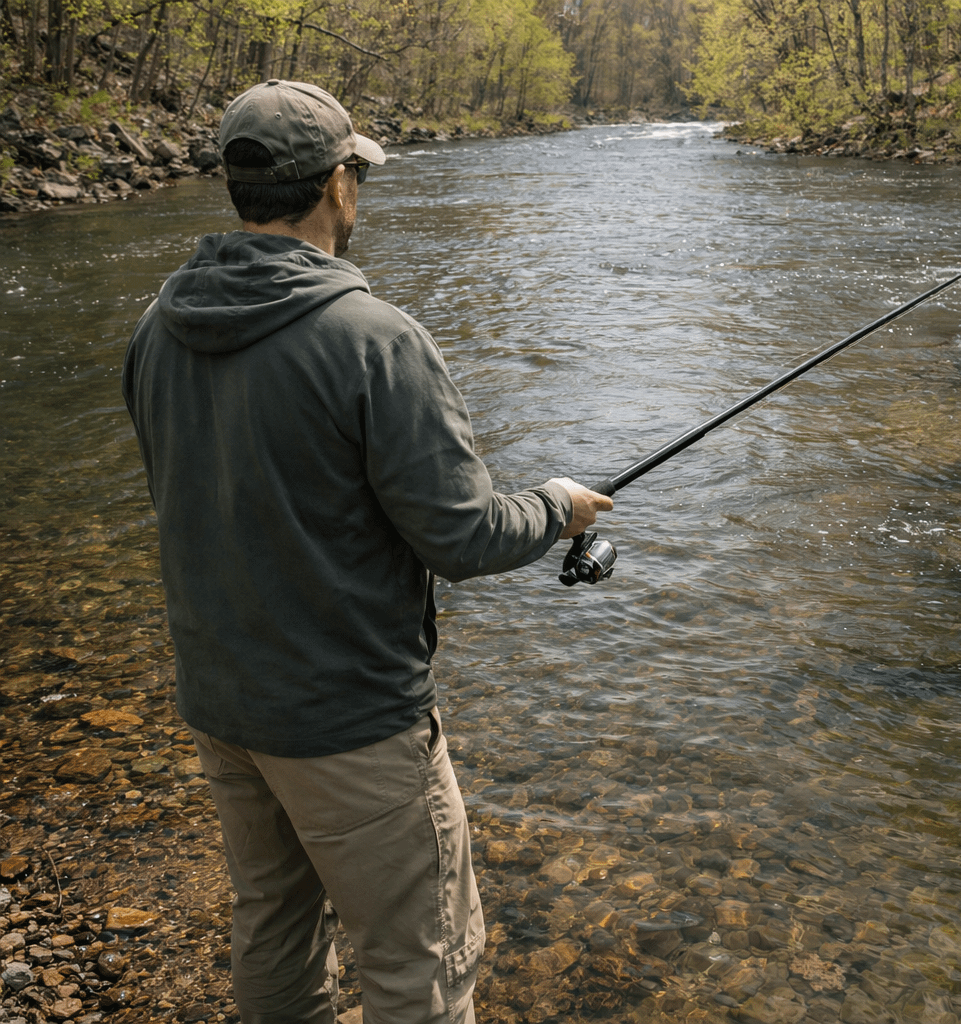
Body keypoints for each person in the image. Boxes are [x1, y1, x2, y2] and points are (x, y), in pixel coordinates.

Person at [120, 79, 613, 1024]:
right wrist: (555, 505)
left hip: (223, 705)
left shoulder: (157, 328)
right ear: (338, 186)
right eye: (357, 172)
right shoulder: (374, 339)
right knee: (418, 962)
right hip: (351, 723)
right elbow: (464, 535)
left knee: (272, 926)